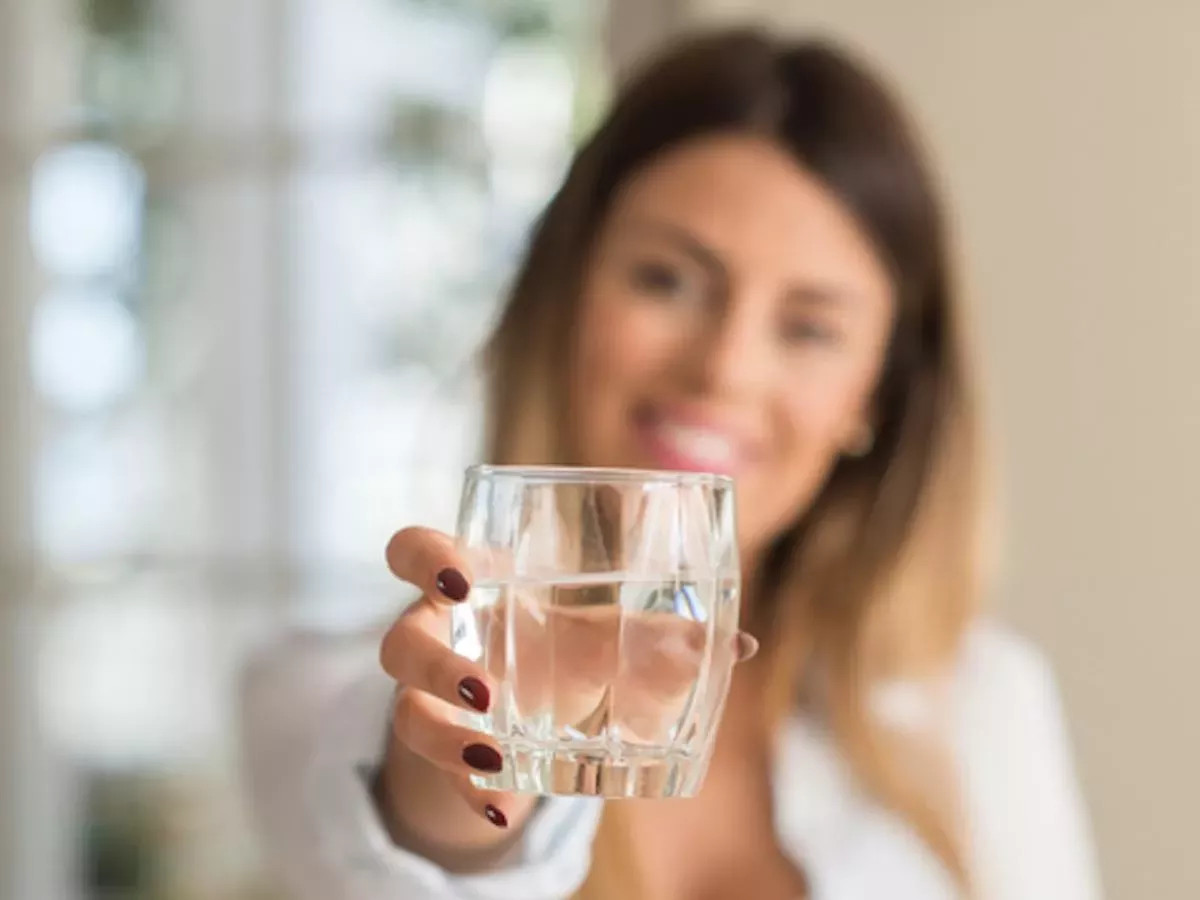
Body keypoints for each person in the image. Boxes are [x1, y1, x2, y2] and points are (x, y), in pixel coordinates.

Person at [240, 28, 1101, 900]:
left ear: (875, 396)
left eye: (809, 328)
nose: (724, 369)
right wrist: (466, 759)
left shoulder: (983, 706)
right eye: (667, 281)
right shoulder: (319, 695)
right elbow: (399, 856)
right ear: (566, 294)